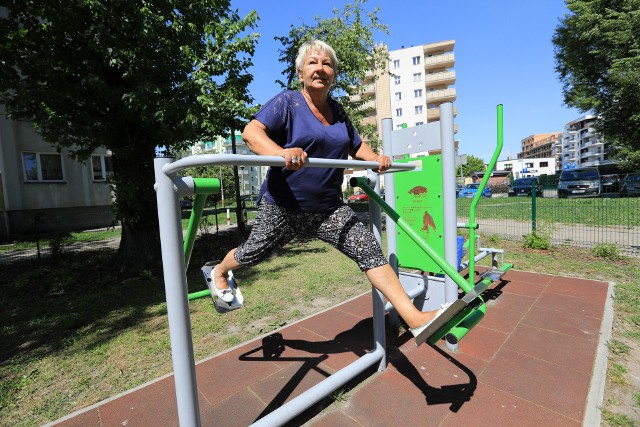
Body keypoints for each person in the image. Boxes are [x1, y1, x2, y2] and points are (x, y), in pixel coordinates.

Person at [202, 40, 449, 345]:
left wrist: (376, 159)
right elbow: (252, 133)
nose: (320, 69)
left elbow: (356, 146)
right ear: (301, 72)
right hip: (284, 206)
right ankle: (220, 271)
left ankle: (415, 319)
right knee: (252, 253)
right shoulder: (287, 103)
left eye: (327, 64)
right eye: (313, 63)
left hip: (329, 209)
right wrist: (281, 152)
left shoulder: (339, 112)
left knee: (369, 250)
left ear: (333, 74)